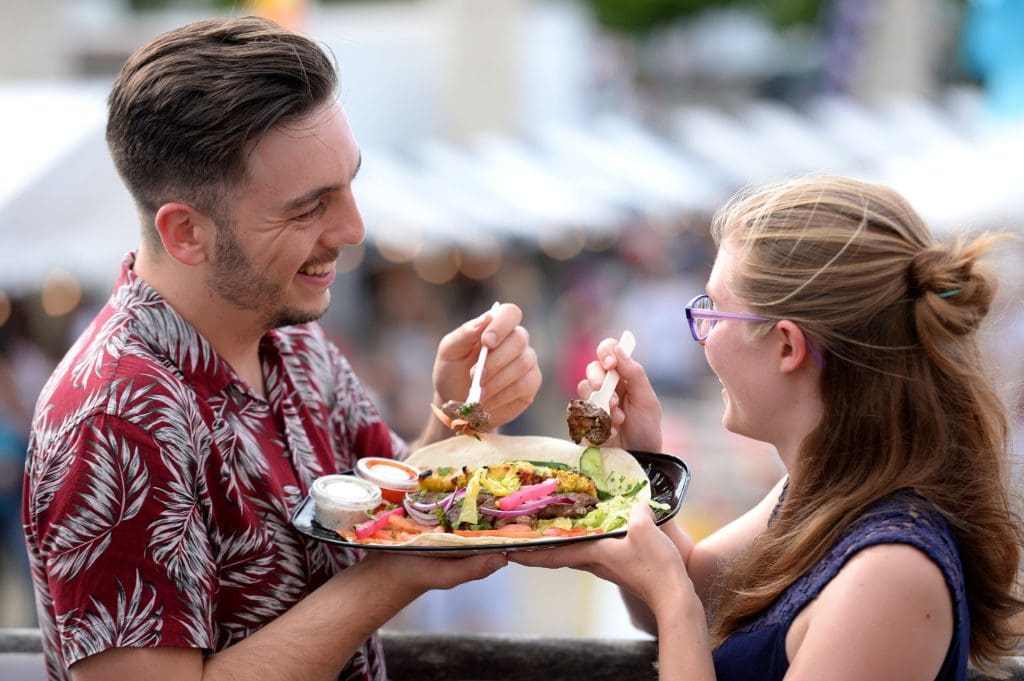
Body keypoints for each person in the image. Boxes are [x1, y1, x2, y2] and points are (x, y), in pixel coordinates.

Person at [22, 16, 541, 681]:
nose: (354, 228)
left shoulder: (292, 338)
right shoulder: (113, 419)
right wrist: (390, 579)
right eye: (308, 208)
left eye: (350, 183)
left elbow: (385, 505)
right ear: (186, 232)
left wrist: (458, 410)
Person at [514, 175, 1024, 680]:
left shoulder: (891, 574)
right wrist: (640, 462)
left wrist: (672, 600)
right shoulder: (825, 485)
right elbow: (697, 591)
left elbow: (678, 600)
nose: (703, 336)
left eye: (714, 310)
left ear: (786, 345)